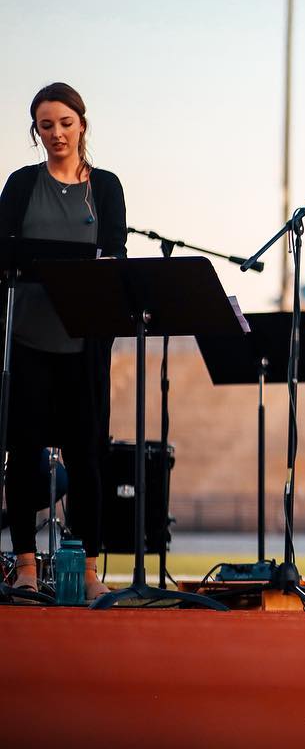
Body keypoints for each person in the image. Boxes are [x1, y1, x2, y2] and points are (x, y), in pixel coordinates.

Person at [1, 82, 126, 601]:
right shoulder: (21, 184)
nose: (57, 133)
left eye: (65, 123)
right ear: (36, 131)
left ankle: (89, 570)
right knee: (23, 454)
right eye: (46, 125)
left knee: (87, 456)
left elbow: (115, 256)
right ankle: (26, 566)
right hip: (28, 341)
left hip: (84, 346)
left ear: (82, 124)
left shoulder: (107, 187)